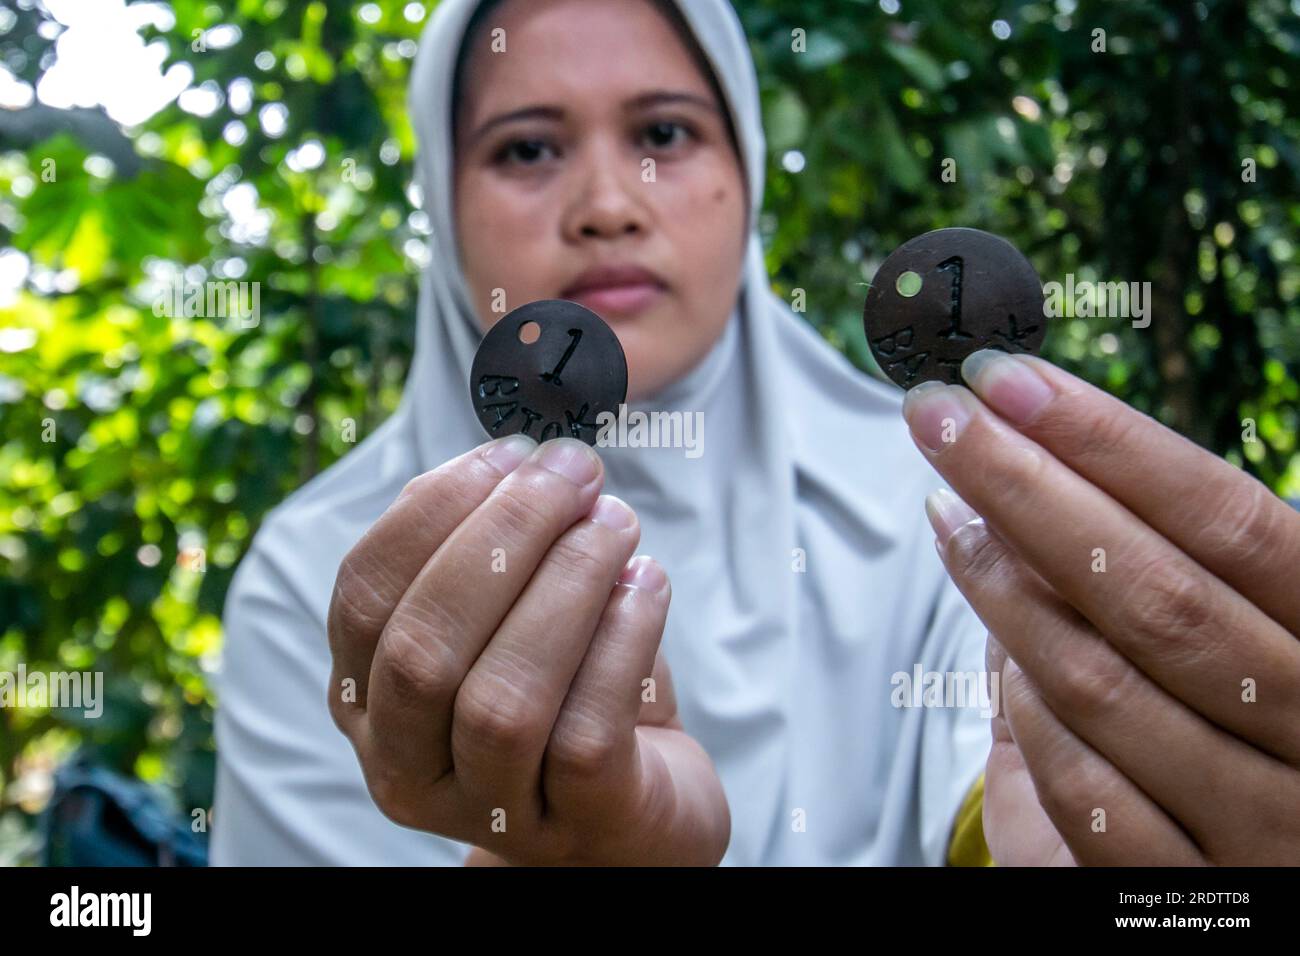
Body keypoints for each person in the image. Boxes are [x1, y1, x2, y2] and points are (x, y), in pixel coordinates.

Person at [211, 0, 1300, 866]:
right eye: (528, 148)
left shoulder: (943, 500)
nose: (606, 202)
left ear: (743, 174)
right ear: (445, 207)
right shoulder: (323, 576)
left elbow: (1007, 795)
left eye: (664, 134)